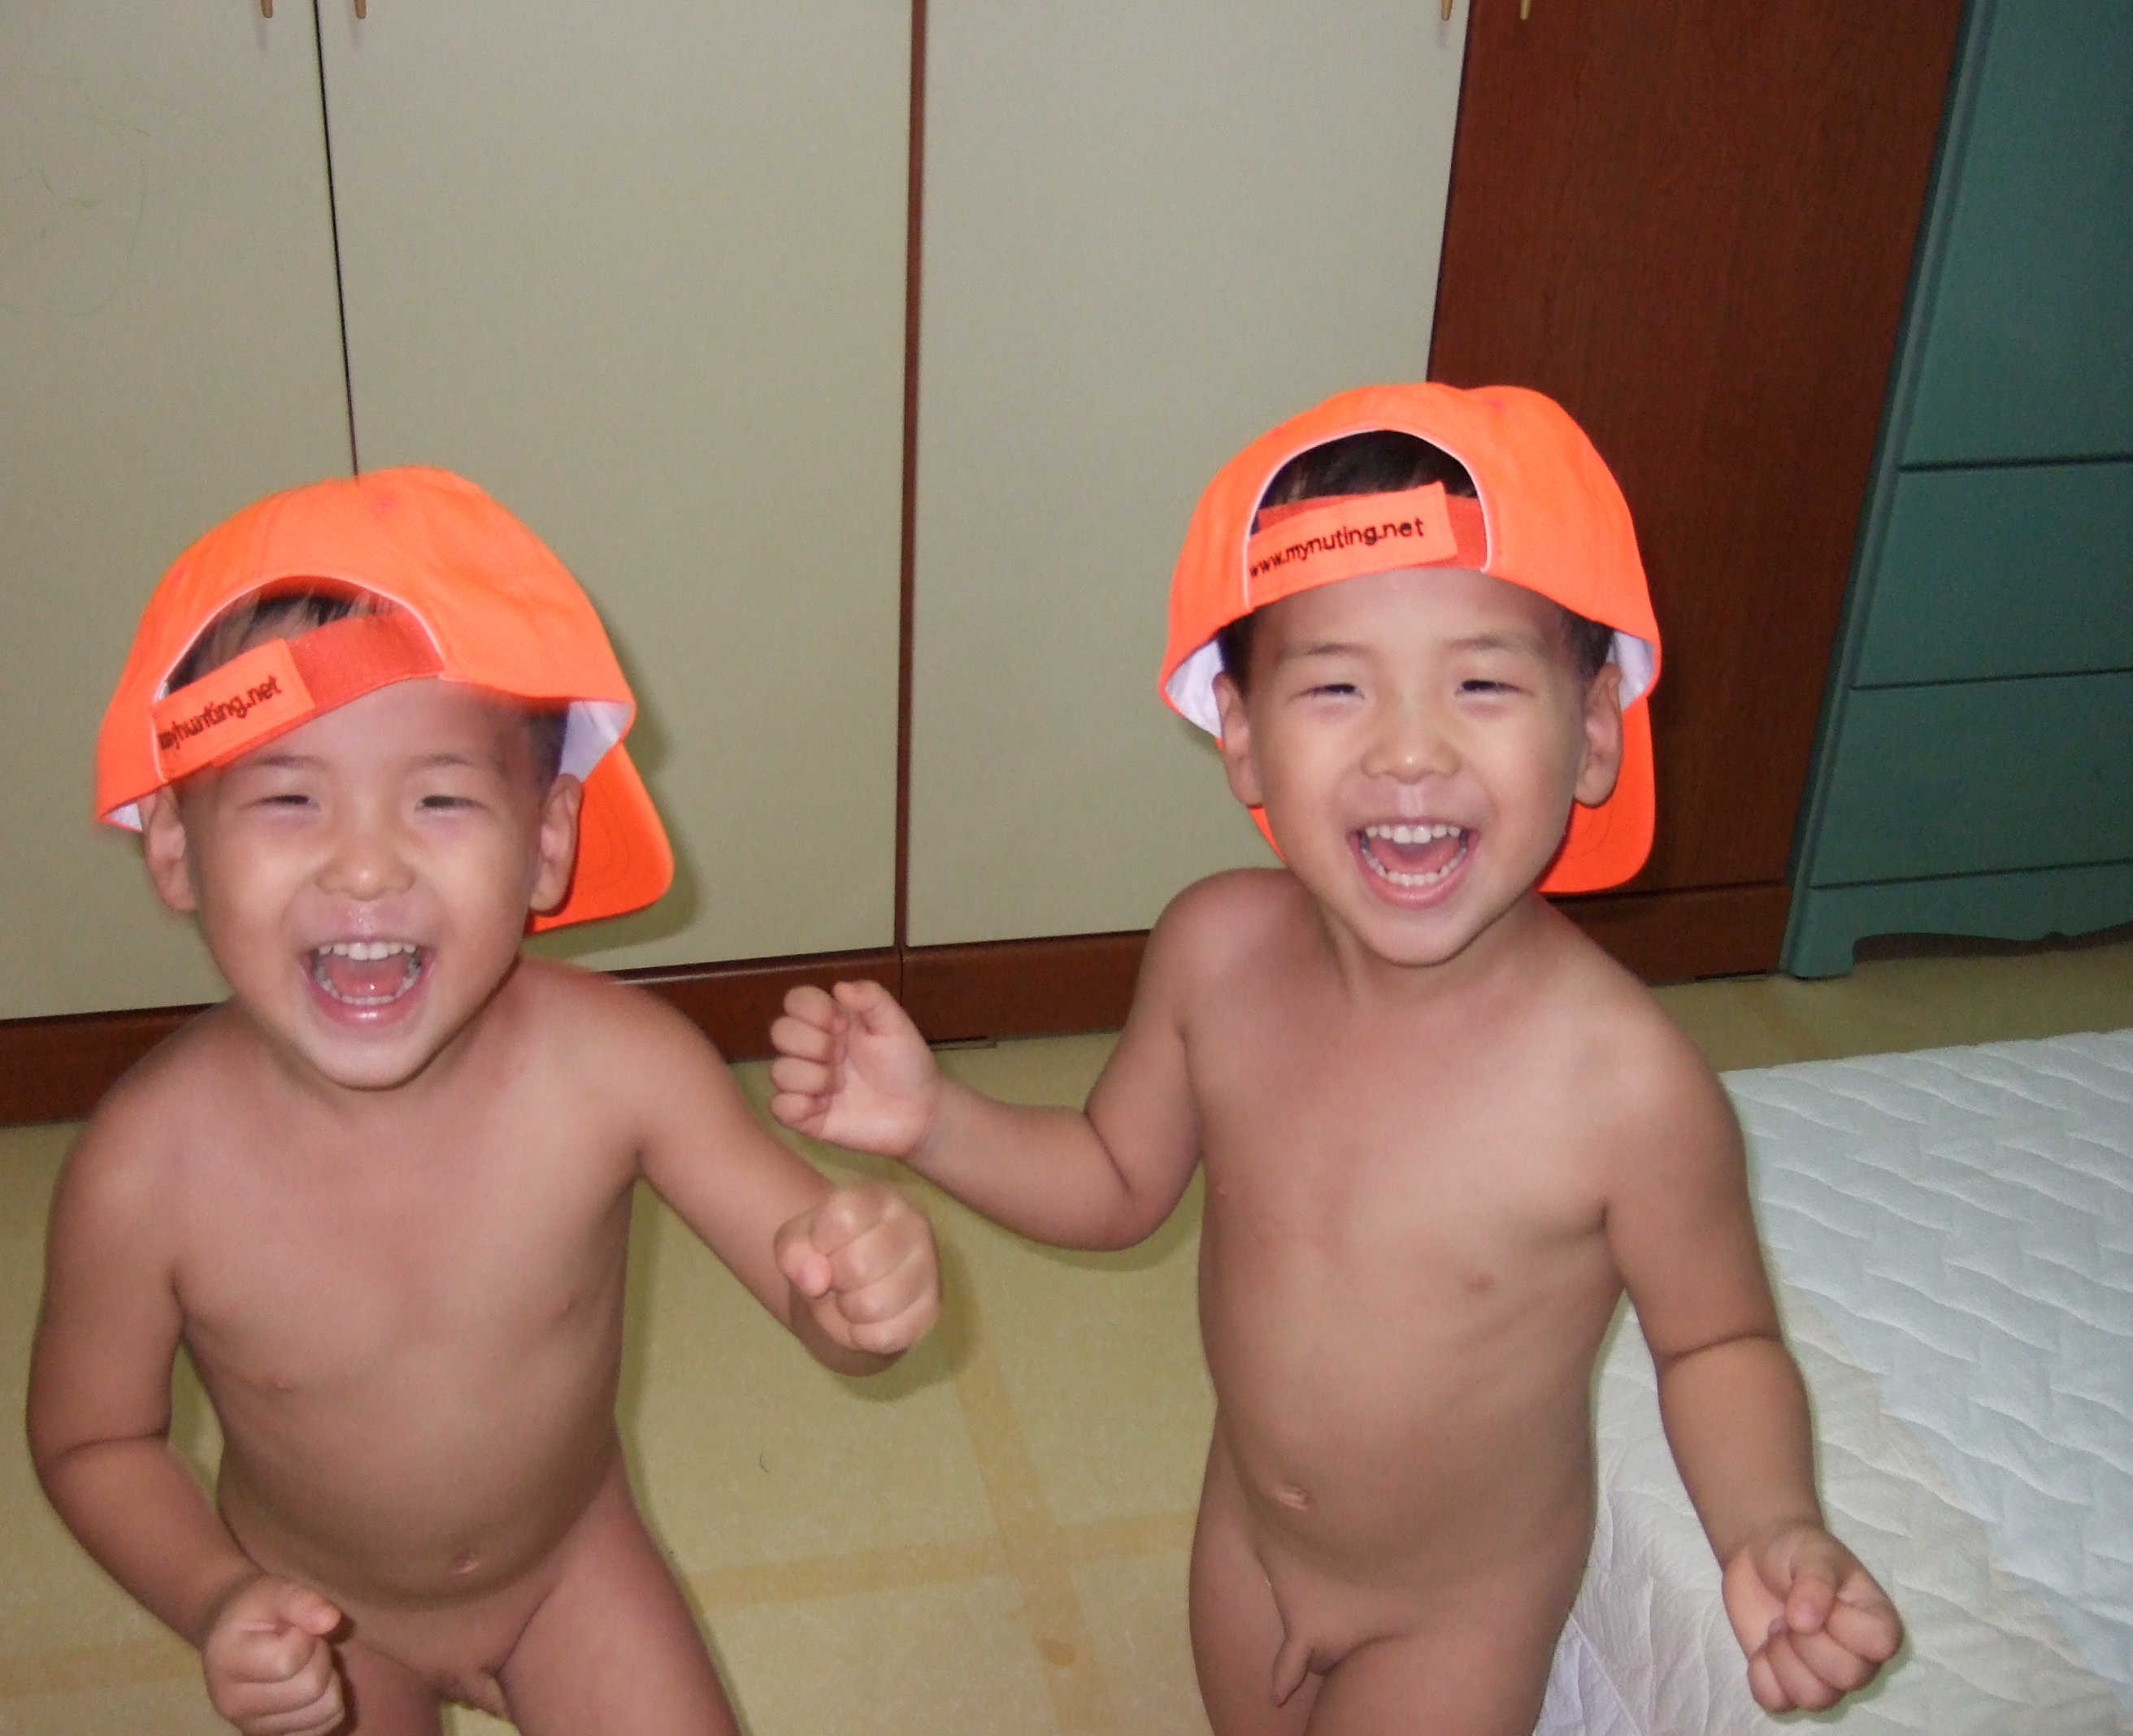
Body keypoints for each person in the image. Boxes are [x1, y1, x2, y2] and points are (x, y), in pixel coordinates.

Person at [769, 384, 1900, 1734]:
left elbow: (1717, 1339)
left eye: (1482, 683)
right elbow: (1115, 1178)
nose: (1409, 748)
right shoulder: (1214, 956)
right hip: (1248, 1542)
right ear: (1241, 733)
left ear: (1596, 729)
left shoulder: (1623, 1089)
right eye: (1336, 686)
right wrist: (933, 1119)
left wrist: (1770, 1524)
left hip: (1458, 1608)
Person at [28, 467, 941, 1736]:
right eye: (289, 798)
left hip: (573, 1572)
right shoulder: (147, 1173)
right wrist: (216, 1598)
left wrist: (862, 1295)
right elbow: (94, 1442)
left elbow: (811, 1286)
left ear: (548, 838)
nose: (364, 865)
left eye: (441, 798)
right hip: (316, 1612)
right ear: (177, 845)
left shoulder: (621, 1068)